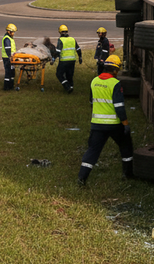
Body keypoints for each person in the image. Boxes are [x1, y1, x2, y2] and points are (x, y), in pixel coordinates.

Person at [77, 55, 134, 186]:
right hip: (114, 125)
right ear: (115, 70)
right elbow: (119, 107)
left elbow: (91, 101)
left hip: (97, 125)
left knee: (93, 150)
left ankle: (82, 177)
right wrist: (125, 124)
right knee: (126, 145)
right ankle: (127, 174)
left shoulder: (94, 81)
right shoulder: (115, 84)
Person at [55, 25, 82, 93]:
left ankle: (67, 86)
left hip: (64, 61)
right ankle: (71, 87)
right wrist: (80, 57)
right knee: (69, 75)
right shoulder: (72, 39)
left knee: (59, 74)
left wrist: (53, 59)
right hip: (72, 60)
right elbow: (78, 49)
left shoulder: (60, 40)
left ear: (60, 32)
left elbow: (58, 51)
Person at [2, 23, 17, 91]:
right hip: (7, 58)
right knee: (8, 72)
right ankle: (6, 87)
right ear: (9, 31)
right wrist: (10, 57)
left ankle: (11, 86)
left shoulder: (10, 38)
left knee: (12, 72)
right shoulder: (7, 39)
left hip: (11, 58)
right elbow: (8, 49)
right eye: (13, 32)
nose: (13, 33)